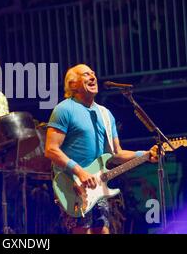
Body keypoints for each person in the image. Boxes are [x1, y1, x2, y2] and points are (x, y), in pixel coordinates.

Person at [44, 64, 157, 234]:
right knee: (83, 231)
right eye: (86, 74)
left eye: (93, 73)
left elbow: (116, 154)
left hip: (97, 186)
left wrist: (146, 154)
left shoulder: (105, 114)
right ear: (73, 84)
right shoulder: (64, 109)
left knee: (103, 230)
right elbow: (51, 149)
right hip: (72, 184)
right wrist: (80, 172)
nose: (92, 77)